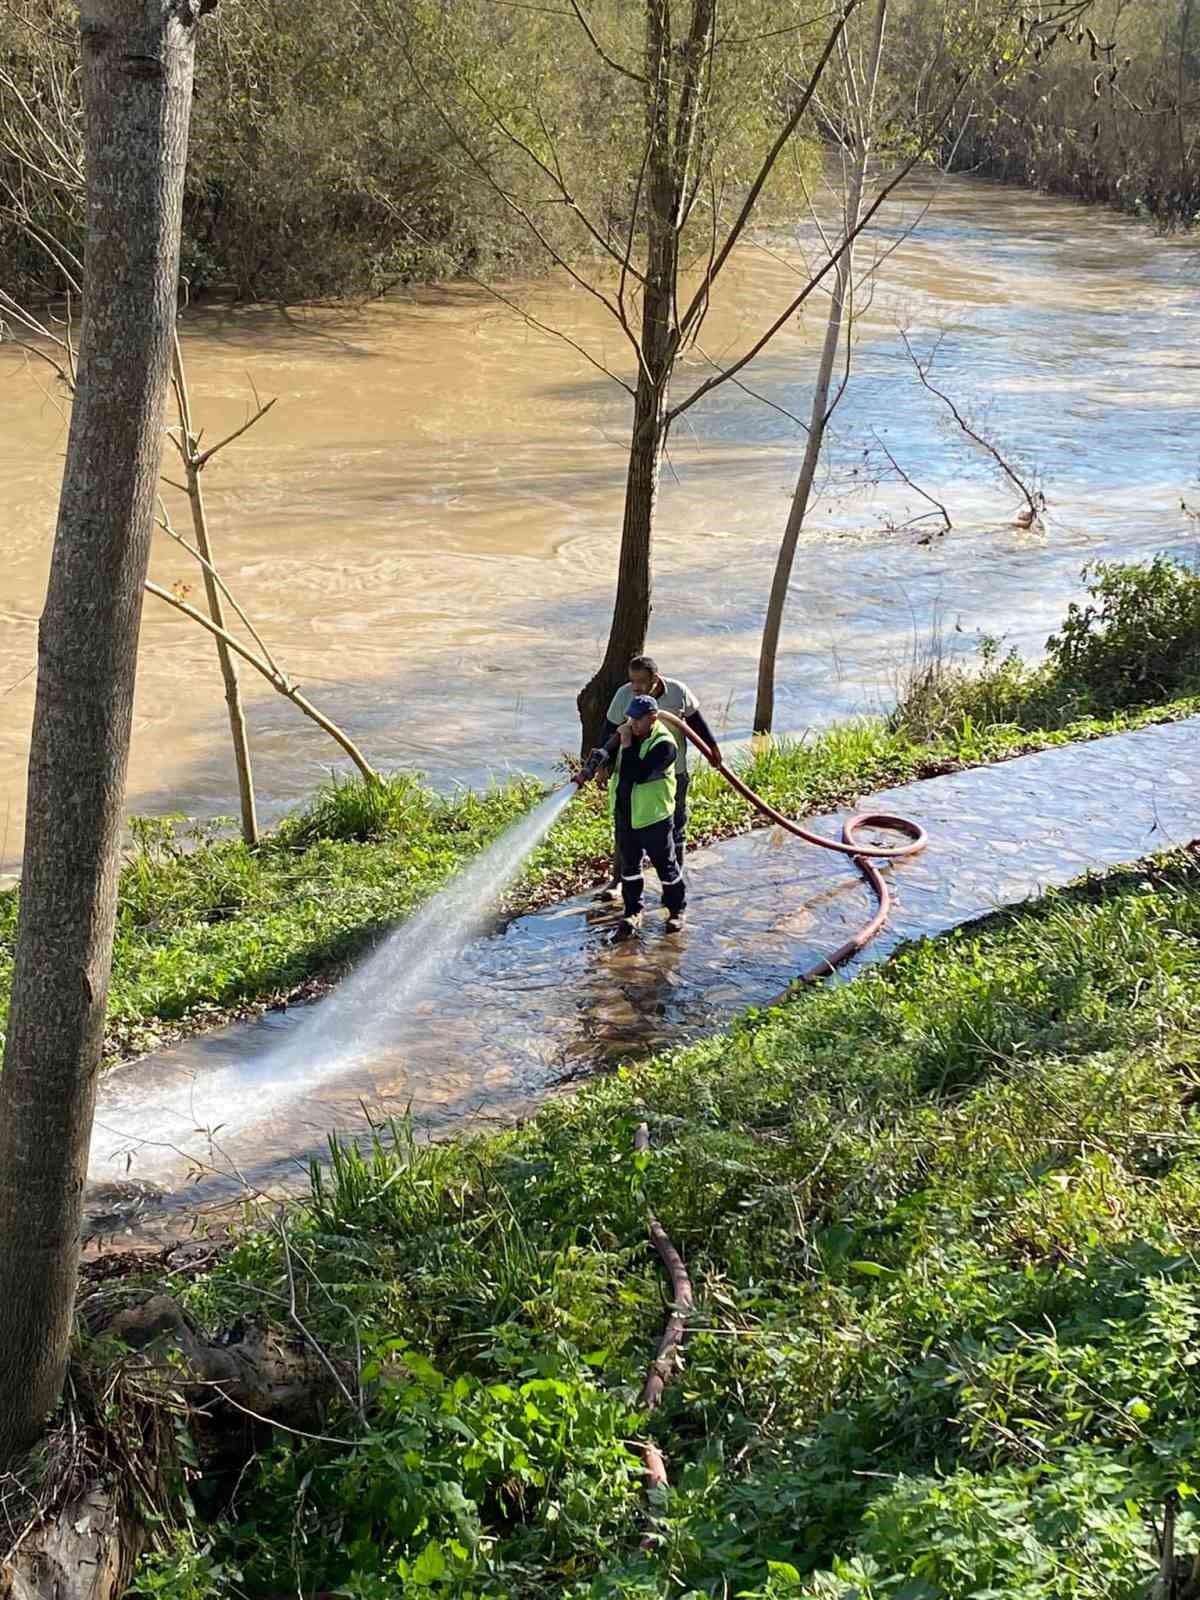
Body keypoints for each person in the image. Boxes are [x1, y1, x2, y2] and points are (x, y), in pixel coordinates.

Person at [594, 655, 722, 904]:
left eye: (641, 681)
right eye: (633, 681)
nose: (636, 687)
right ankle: (618, 881)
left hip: (672, 772)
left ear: (655, 678)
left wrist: (713, 748)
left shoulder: (677, 691)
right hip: (632, 773)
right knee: (626, 830)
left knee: (674, 827)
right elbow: (609, 730)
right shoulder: (624, 695)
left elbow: (696, 721)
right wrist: (603, 765)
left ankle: (674, 885)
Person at [578, 694, 686, 941]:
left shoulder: (664, 744)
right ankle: (633, 911)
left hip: (653, 817)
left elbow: (635, 773)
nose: (633, 724)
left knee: (666, 867)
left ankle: (676, 910)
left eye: (639, 720)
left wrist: (625, 743)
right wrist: (602, 761)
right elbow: (614, 765)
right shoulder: (627, 735)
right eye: (631, 719)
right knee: (629, 868)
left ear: (653, 718)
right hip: (625, 814)